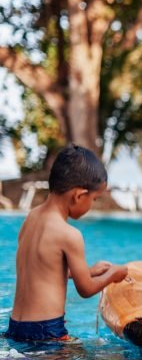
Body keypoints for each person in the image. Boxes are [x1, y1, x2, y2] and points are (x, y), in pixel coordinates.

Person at [6, 145, 128, 342]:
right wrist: (113, 274)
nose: (92, 205)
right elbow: (85, 289)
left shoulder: (31, 217)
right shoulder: (69, 234)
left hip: (16, 327)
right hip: (47, 331)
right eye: (94, 199)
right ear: (79, 195)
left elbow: (44, 269)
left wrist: (89, 271)